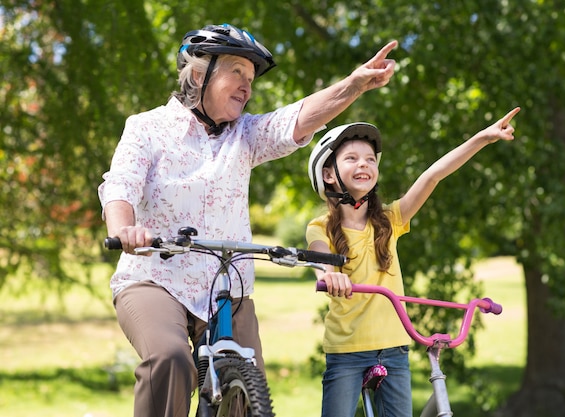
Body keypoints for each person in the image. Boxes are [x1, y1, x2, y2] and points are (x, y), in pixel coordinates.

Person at [98, 23, 398, 417]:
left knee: (246, 385)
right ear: (199, 73)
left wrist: (354, 85)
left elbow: (297, 119)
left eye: (251, 78)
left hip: (228, 285)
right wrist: (125, 229)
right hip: (155, 279)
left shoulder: (245, 135)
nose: (247, 86)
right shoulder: (146, 128)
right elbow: (120, 186)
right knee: (170, 361)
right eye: (237, 72)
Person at [306, 107, 521, 417]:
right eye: (351, 158)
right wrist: (329, 274)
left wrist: (481, 139)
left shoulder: (390, 219)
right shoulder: (321, 226)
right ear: (328, 174)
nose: (364, 164)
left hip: (394, 349)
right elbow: (319, 255)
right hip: (347, 352)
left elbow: (433, 174)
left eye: (370, 159)